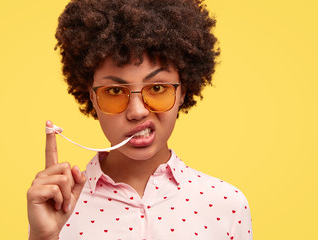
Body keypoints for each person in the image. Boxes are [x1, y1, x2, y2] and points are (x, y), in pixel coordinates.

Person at [27, 0, 253, 239]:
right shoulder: (58, 206)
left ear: (183, 91)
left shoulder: (227, 205)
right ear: (91, 96)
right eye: (114, 91)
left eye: (157, 87)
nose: (137, 111)